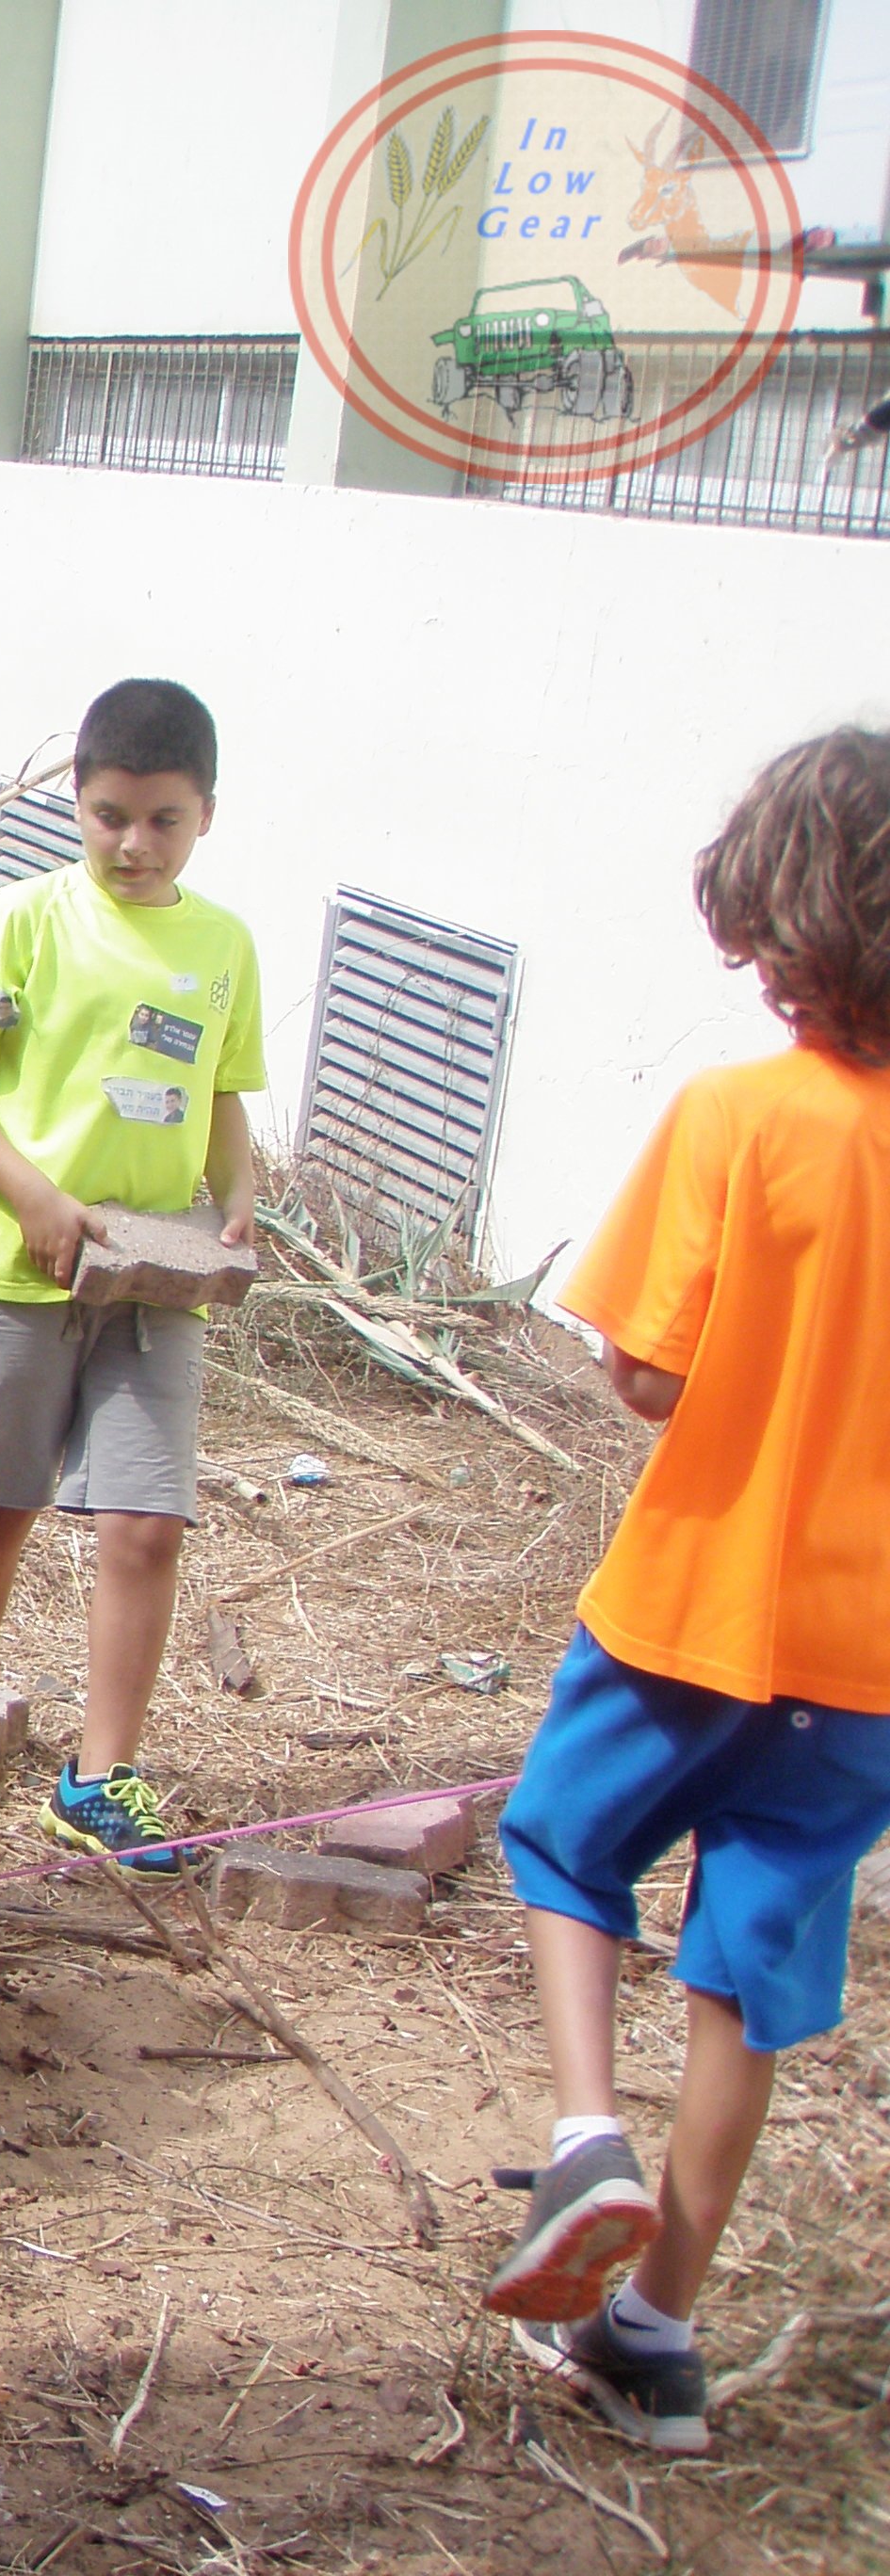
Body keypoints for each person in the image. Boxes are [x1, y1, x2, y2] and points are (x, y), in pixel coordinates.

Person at [479, 729, 890, 2456]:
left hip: (689, 1609)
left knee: (565, 1847)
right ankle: (657, 2336)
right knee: (752, 1962)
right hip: (866, 1664)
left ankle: (585, 2139)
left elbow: (643, 1372)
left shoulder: (735, 1116)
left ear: (774, 929)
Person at [0, 678, 264, 1873]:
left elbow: (222, 1101)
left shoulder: (223, 946)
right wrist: (36, 1199)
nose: (133, 842)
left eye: (163, 819)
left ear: (206, 814)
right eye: (112, 813)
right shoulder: (21, 923)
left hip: (157, 1283)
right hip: (29, 1266)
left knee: (146, 1524)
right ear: (77, 798)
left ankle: (101, 1775)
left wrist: (239, 1206)